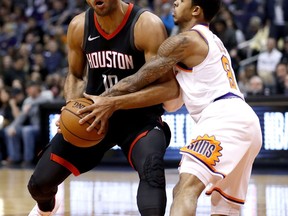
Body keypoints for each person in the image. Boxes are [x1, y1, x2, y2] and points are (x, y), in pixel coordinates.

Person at [80, 0, 263, 215]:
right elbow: (174, 100)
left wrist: (100, 101)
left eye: (182, 0)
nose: (175, 2)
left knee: (184, 190)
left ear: (196, 10)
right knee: (225, 208)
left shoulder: (185, 41)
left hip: (224, 118)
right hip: (247, 123)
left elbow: (137, 79)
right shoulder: (213, 41)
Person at [27, 1, 179, 216]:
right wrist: (71, 104)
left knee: (152, 171)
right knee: (39, 185)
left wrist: (114, 102)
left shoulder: (146, 25)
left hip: (138, 117)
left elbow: (169, 87)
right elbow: (76, 75)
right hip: (93, 116)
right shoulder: (79, 25)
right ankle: (46, 211)